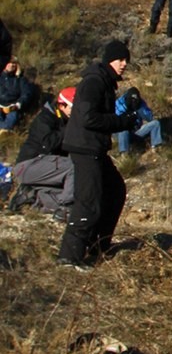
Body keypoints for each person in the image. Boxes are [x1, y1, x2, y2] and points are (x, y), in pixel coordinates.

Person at [58, 39, 139, 269]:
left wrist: (122, 122)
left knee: (114, 191)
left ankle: (99, 246)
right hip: (85, 148)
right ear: (109, 60)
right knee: (89, 201)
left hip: (94, 148)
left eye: (126, 60)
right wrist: (121, 121)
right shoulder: (94, 82)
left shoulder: (104, 81)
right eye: (120, 59)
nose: (124, 64)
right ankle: (69, 256)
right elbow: (87, 117)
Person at [9, 88, 74, 216]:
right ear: (62, 105)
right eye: (73, 108)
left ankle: (33, 196)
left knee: (70, 189)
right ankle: (65, 208)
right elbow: (47, 144)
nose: (76, 113)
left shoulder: (64, 120)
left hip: (40, 168)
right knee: (74, 166)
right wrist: (69, 129)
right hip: (29, 165)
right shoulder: (45, 118)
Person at [112, 87, 163, 154]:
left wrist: (140, 109)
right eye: (132, 100)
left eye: (136, 100)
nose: (134, 102)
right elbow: (114, 119)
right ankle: (124, 154)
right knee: (124, 130)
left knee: (155, 123)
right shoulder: (119, 102)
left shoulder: (141, 103)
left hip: (135, 132)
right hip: (120, 134)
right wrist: (126, 110)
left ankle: (156, 147)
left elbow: (150, 118)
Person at [0, 60, 39, 130]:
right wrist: (5, 72)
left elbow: (26, 94)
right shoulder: (2, 78)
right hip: (0, 106)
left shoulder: (21, 81)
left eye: (14, 65)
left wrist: (18, 104)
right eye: (9, 64)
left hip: (13, 108)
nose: (11, 66)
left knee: (9, 123)